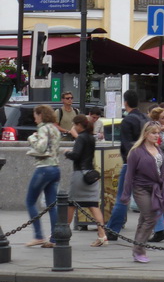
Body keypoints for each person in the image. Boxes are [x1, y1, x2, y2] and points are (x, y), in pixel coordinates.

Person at [120, 121, 164, 263]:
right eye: (153, 132)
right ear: (146, 134)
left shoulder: (158, 149)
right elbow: (129, 175)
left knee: (144, 219)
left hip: (155, 187)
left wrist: (163, 185)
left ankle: (138, 249)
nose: (156, 135)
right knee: (150, 217)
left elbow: (162, 170)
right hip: (141, 188)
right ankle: (139, 249)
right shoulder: (136, 152)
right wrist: (126, 194)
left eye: (158, 132)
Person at [105, 90, 148, 241]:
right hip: (147, 161)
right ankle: (160, 227)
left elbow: (126, 144)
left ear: (125, 103)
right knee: (149, 196)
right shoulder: (145, 118)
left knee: (122, 197)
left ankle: (112, 229)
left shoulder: (128, 121)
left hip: (131, 163)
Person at [65, 113, 107, 246]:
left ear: (78, 125)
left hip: (80, 175)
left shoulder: (80, 138)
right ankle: (102, 235)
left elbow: (76, 155)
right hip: (91, 174)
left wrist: (66, 152)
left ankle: (61, 233)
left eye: (75, 125)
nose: (74, 127)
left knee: (71, 204)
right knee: (94, 205)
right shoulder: (91, 137)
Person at [24, 104, 62, 247]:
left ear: (41, 115)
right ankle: (55, 238)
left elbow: (40, 147)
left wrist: (31, 138)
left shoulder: (43, 129)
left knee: (30, 201)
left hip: (44, 168)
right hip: (55, 168)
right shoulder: (55, 129)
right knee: (52, 205)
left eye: (36, 116)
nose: (35, 120)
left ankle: (39, 236)